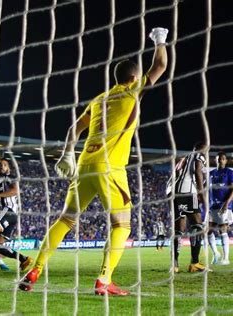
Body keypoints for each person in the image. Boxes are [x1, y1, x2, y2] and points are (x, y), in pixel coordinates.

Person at [19, 27, 168, 295]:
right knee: (121, 224)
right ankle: (104, 280)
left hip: (84, 164)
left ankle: (34, 269)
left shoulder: (99, 100)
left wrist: (67, 154)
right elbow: (160, 64)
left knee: (66, 220)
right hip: (110, 167)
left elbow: (73, 129)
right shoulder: (131, 91)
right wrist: (160, 39)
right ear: (133, 77)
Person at [0, 158, 33, 272]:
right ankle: (24, 259)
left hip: (7, 211)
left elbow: (15, 190)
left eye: (4, 165)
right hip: (8, 213)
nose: (1, 167)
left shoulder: (10, 177)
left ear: (8, 168)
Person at [166, 142, 209, 273]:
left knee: (178, 230)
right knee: (197, 227)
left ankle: (174, 265)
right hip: (188, 193)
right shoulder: (199, 156)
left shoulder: (183, 159)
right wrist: (201, 194)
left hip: (174, 193)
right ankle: (194, 263)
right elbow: (197, 170)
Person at [207, 151, 233, 265]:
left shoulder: (230, 173)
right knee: (208, 231)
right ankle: (216, 253)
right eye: (218, 158)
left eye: (222, 158)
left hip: (224, 206)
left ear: (226, 160)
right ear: (216, 160)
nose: (220, 160)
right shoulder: (210, 174)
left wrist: (226, 203)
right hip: (212, 206)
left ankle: (226, 259)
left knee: (222, 230)